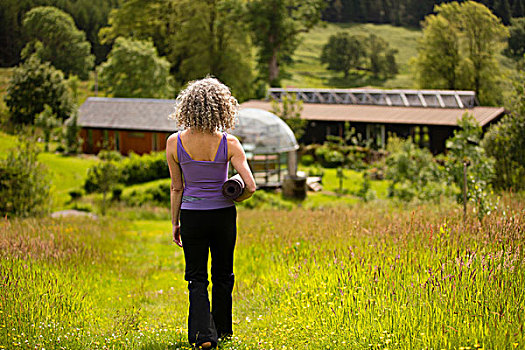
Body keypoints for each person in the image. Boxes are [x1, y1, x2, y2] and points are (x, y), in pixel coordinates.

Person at [166, 77, 256, 349]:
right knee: (223, 274)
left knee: (196, 277)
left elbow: (176, 187)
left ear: (188, 107)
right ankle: (223, 330)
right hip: (223, 216)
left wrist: (175, 222)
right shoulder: (230, 143)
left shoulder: (174, 143)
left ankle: (204, 336)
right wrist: (235, 196)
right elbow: (250, 186)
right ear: (221, 107)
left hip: (191, 216)